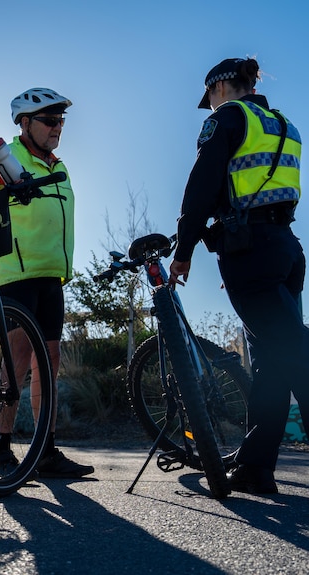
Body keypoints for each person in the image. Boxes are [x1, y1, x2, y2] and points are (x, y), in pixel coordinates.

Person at [169, 57, 306, 495]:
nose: (209, 104)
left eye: (208, 96)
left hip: (251, 253)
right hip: (287, 248)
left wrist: (184, 249)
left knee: (296, 354)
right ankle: (254, 469)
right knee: (272, 363)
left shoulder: (228, 117)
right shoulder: (282, 122)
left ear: (221, 87)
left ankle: (255, 468)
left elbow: (202, 185)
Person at [0, 88, 94, 479]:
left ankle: (45, 449)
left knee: (51, 360)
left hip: (50, 274)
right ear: (25, 123)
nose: (57, 127)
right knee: (18, 359)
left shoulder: (57, 165)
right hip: (15, 273)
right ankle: (0, 451)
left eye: (61, 120)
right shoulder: (4, 160)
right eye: (49, 120)